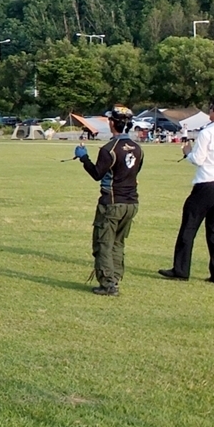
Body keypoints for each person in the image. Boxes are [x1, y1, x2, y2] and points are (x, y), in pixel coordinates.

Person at [160, 96, 214, 284]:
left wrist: (187, 152)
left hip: (207, 183)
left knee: (189, 226)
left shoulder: (208, 133)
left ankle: (181, 269)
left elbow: (198, 159)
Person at [74, 105, 142, 296]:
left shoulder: (109, 149)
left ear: (112, 123)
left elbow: (97, 173)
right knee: (118, 243)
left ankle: (108, 283)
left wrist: (84, 158)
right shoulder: (138, 149)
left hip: (112, 202)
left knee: (104, 243)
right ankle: (115, 277)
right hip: (131, 203)